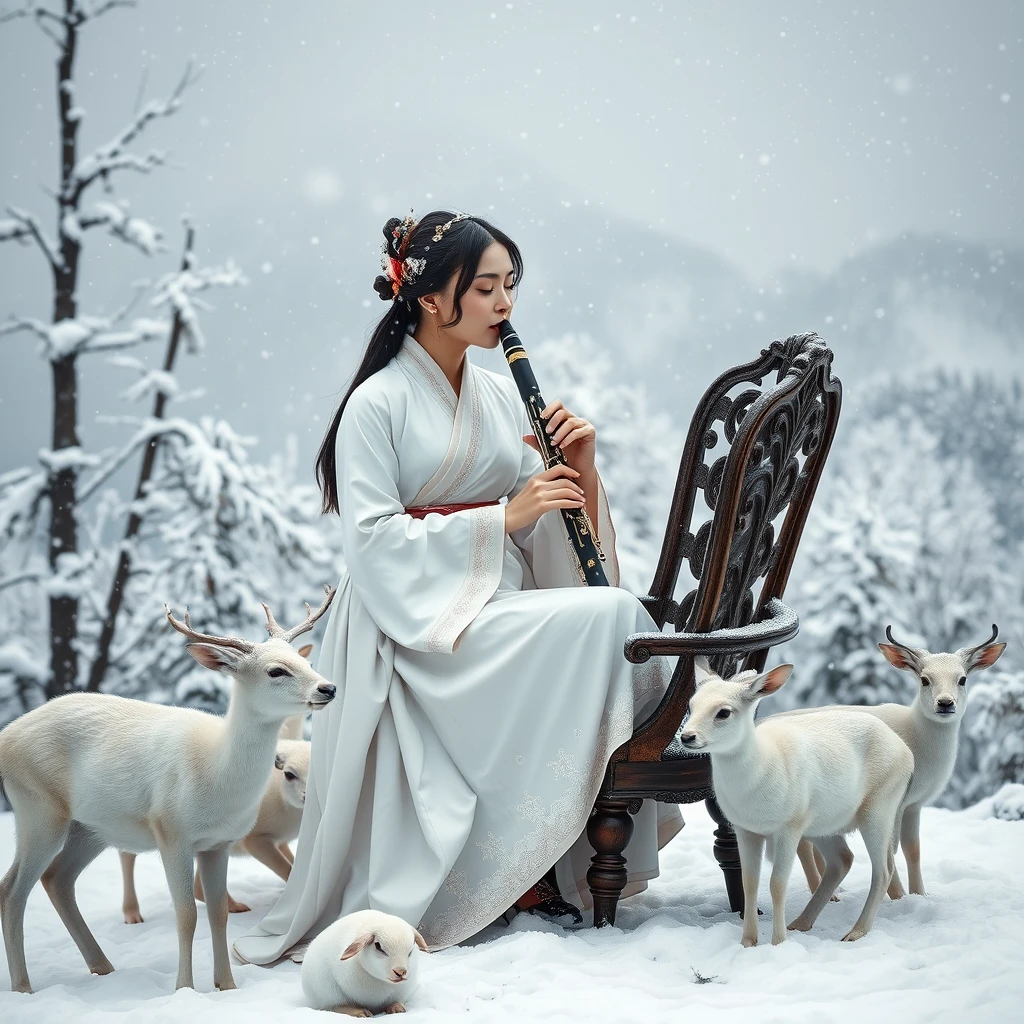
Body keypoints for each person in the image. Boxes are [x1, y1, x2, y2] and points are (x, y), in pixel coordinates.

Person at [233, 210, 682, 964]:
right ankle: (509, 871)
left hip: (489, 607)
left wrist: (581, 473)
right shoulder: (374, 405)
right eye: (484, 288)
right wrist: (500, 518)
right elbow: (373, 543)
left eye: (510, 286)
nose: (504, 305)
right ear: (430, 297)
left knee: (616, 618)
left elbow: (542, 529)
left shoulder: (501, 395)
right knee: (613, 621)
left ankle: (531, 865)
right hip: (408, 622)